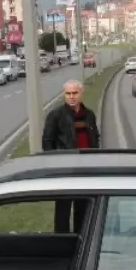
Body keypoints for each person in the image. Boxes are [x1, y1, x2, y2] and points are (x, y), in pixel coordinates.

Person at [42, 79, 99, 233]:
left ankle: (81, 240)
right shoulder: (55, 115)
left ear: (81, 94)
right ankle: (61, 243)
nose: (72, 96)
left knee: (83, 208)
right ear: (64, 95)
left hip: (86, 170)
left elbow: (95, 139)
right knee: (63, 210)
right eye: (68, 93)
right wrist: (55, 167)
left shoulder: (89, 115)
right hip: (64, 171)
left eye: (75, 93)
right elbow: (47, 143)